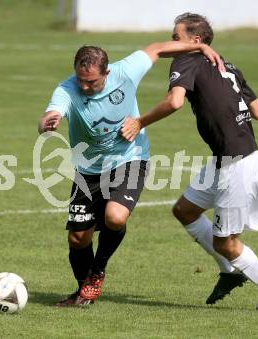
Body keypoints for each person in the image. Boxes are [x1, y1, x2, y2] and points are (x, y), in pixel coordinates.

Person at [121, 13, 258, 311]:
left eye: (176, 37)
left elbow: (174, 101)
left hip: (237, 162)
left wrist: (139, 121)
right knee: (185, 210)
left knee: (227, 243)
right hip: (225, 158)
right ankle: (229, 272)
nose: (173, 42)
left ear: (194, 41)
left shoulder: (186, 60)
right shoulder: (228, 65)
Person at [38, 40, 223, 306]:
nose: (85, 87)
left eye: (92, 82)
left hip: (130, 159)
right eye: (81, 80)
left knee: (115, 216)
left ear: (107, 72)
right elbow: (50, 113)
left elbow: (157, 49)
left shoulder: (125, 71)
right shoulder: (67, 89)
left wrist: (200, 48)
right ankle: (83, 291)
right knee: (78, 238)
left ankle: (98, 270)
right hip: (88, 169)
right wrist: (47, 122)